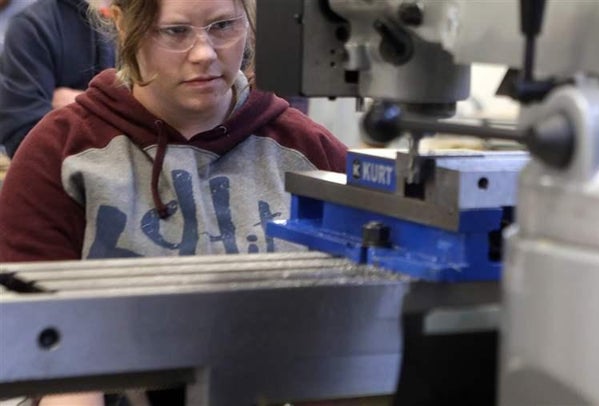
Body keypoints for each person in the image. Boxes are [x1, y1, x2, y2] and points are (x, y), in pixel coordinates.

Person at [0, 0, 346, 401]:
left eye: (223, 26)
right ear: (125, 27)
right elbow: (36, 349)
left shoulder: (308, 151)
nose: (204, 53)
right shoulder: (60, 153)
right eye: (176, 32)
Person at [0, 0, 115, 157]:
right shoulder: (33, 26)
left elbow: (154, 121)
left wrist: (82, 105)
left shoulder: (145, 20)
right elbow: (23, 138)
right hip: (62, 176)